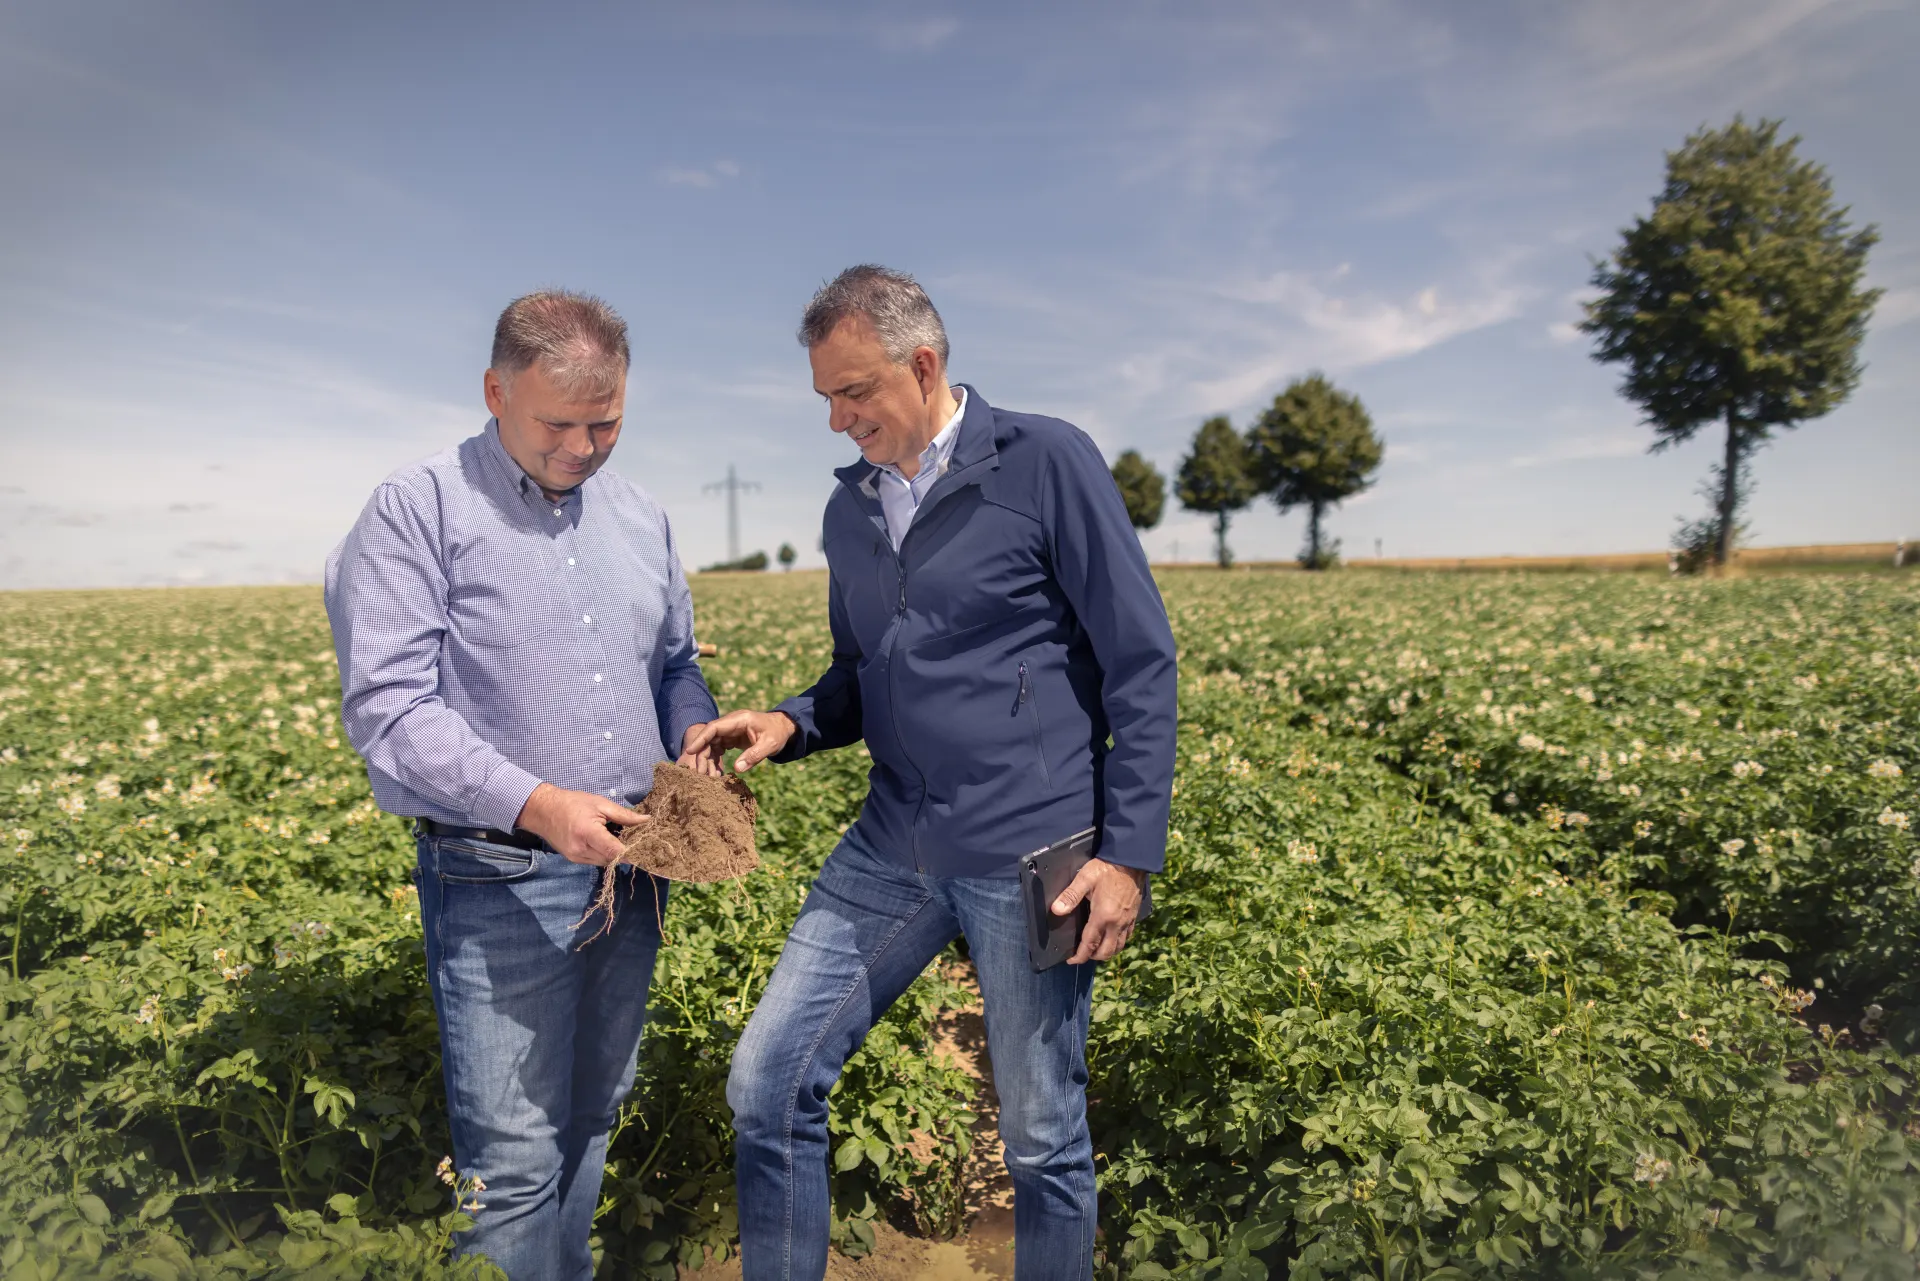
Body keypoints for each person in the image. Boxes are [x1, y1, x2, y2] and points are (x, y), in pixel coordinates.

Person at [682, 265, 1178, 1280]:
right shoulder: (850, 510)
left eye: (854, 392)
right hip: (892, 846)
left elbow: (1140, 662)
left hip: (1033, 849)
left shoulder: (1047, 462)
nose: (838, 419)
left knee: (1040, 1140)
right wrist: (788, 720)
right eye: (826, 397)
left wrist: (1128, 854)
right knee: (769, 1081)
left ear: (924, 363)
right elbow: (860, 679)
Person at [324, 290, 720, 1281]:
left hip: (632, 870)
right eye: (558, 424)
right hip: (498, 875)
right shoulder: (421, 507)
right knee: (509, 1162)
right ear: (495, 391)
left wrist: (695, 736)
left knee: (595, 1113)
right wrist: (540, 803)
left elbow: (675, 663)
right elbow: (389, 707)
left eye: (608, 422)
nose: (585, 447)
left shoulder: (641, 516)